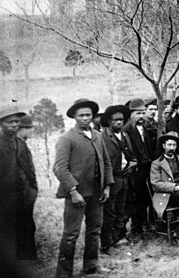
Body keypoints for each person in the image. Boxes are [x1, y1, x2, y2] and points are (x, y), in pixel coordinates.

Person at [53, 99, 114, 278]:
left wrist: (107, 187)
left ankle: (91, 266)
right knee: (71, 234)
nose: (86, 118)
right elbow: (60, 168)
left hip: (97, 193)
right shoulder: (67, 138)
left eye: (88, 115)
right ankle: (63, 273)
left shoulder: (97, 135)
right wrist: (73, 191)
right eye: (81, 115)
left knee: (94, 230)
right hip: (77, 195)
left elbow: (106, 162)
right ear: (74, 117)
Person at [99, 104, 137, 253]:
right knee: (109, 213)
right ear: (109, 121)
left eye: (121, 120)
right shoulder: (102, 137)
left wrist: (133, 163)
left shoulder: (125, 135)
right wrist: (106, 183)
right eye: (115, 120)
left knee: (121, 211)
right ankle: (106, 244)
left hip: (124, 177)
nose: (119, 123)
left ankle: (119, 237)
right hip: (111, 179)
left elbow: (131, 155)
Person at [122, 98, 155, 239]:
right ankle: (135, 229)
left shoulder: (147, 127)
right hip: (134, 171)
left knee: (145, 198)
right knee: (134, 200)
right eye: (137, 113)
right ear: (131, 115)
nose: (141, 116)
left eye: (142, 113)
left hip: (147, 169)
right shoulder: (126, 130)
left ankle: (144, 225)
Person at [0, 106, 26, 274]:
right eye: (11, 122)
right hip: (2, 195)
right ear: (2, 124)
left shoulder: (19, 143)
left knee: (15, 229)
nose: (15, 125)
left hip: (17, 195)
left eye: (17, 121)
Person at [16, 114, 38, 262]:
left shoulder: (20, 143)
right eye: (29, 128)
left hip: (25, 191)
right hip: (23, 191)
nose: (31, 131)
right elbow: (24, 169)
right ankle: (26, 256)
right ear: (21, 129)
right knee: (25, 223)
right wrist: (31, 188)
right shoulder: (19, 144)